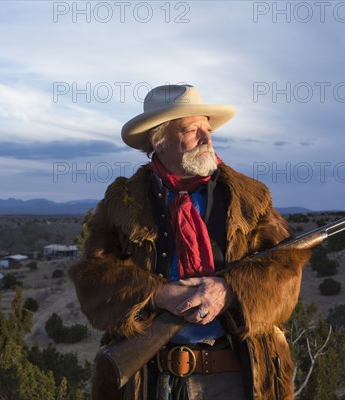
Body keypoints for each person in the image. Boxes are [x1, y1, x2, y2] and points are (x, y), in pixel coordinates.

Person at [68, 84, 311, 400]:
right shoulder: (122, 203)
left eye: (207, 129)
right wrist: (158, 295)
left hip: (238, 376)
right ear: (160, 138)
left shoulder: (250, 198)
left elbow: (286, 270)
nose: (207, 139)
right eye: (192, 129)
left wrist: (229, 290)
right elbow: (92, 279)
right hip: (151, 380)